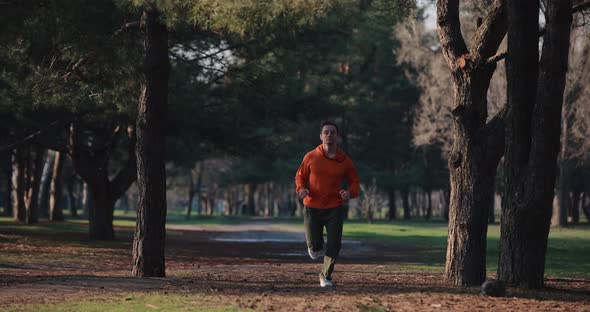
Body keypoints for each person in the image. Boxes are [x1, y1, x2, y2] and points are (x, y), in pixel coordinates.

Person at [295, 121, 360, 287]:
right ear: (321, 136)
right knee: (315, 247)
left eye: (332, 132)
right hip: (312, 207)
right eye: (326, 132)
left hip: (334, 207)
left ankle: (325, 276)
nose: (329, 135)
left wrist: (349, 193)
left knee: (334, 244)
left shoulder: (344, 160)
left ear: (337, 136)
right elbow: (300, 176)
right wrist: (301, 189)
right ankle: (314, 246)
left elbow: (354, 180)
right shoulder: (311, 156)